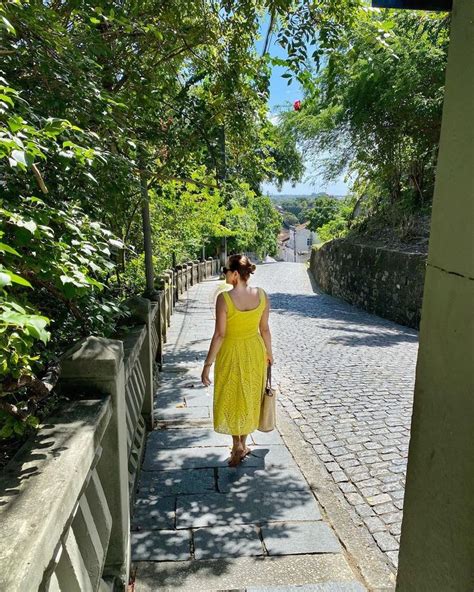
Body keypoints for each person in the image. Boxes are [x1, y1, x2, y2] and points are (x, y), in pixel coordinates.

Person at [201, 254, 273, 467]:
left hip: (231, 350)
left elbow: (220, 335)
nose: (223, 274)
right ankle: (243, 442)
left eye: (225, 270)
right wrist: (269, 354)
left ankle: (236, 444)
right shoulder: (261, 295)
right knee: (249, 394)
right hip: (254, 350)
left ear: (234, 274)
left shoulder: (224, 299)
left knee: (232, 395)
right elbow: (265, 329)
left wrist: (207, 365)